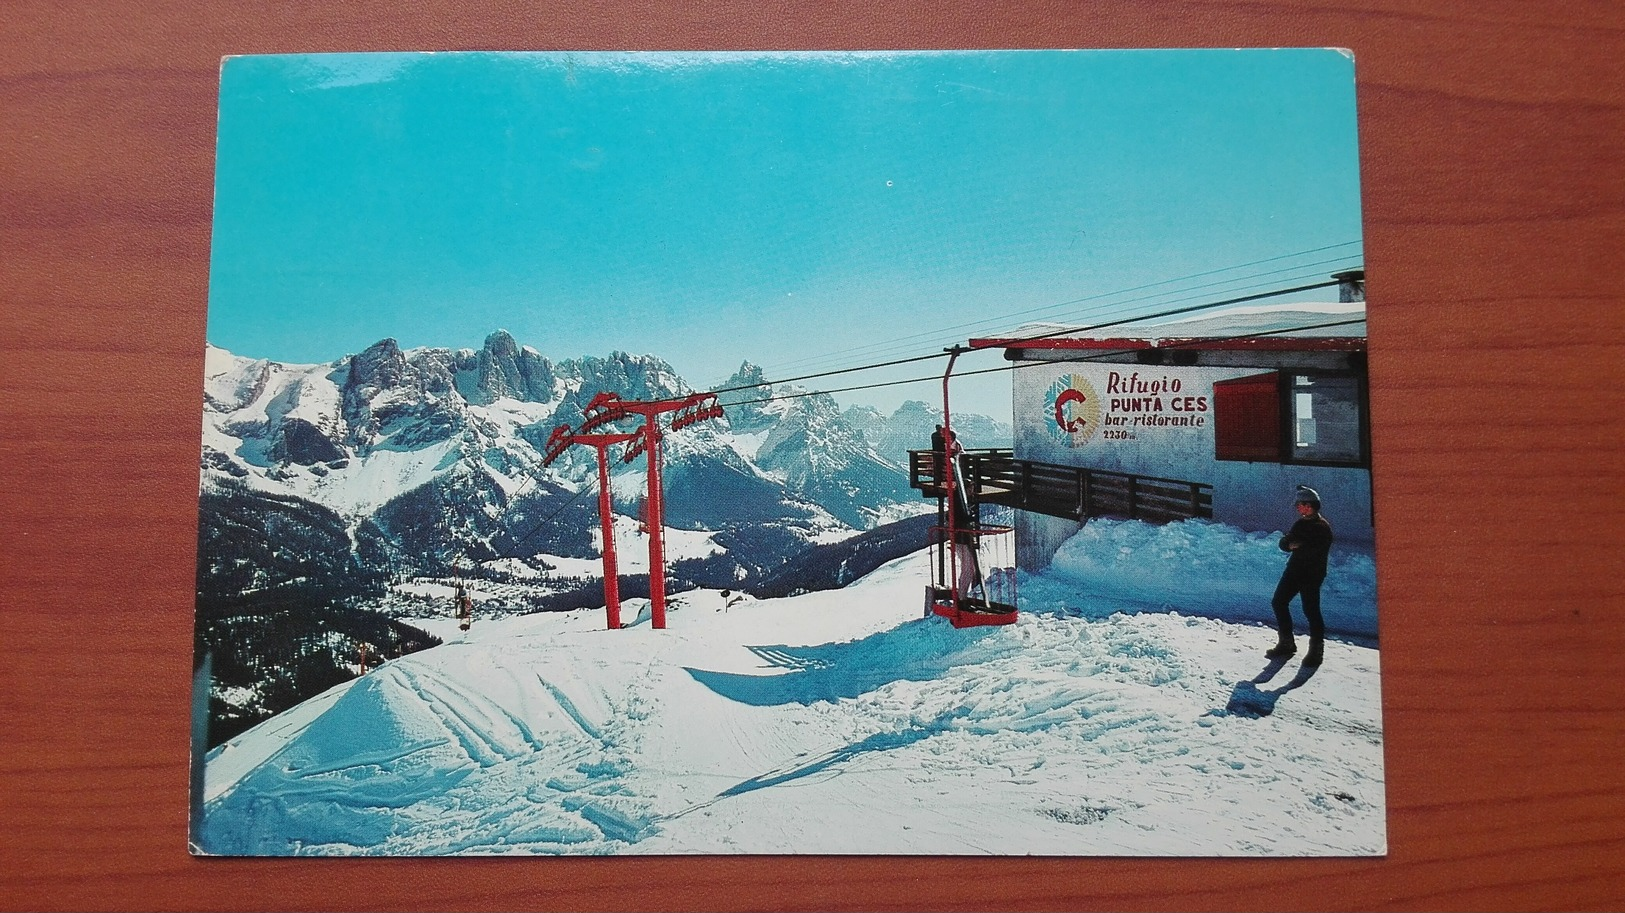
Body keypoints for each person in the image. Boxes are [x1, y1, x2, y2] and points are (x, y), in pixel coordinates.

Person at [1266, 485, 1333, 665]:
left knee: (1311, 611)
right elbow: (1285, 543)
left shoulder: (1322, 527)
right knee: (1279, 602)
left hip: (1311, 574)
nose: (1297, 508)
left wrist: (1296, 544)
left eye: (1300, 504)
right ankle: (1287, 643)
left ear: (1309, 505)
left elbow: (1311, 549)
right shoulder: (1301, 524)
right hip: (1294, 571)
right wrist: (1290, 544)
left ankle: (1316, 651)